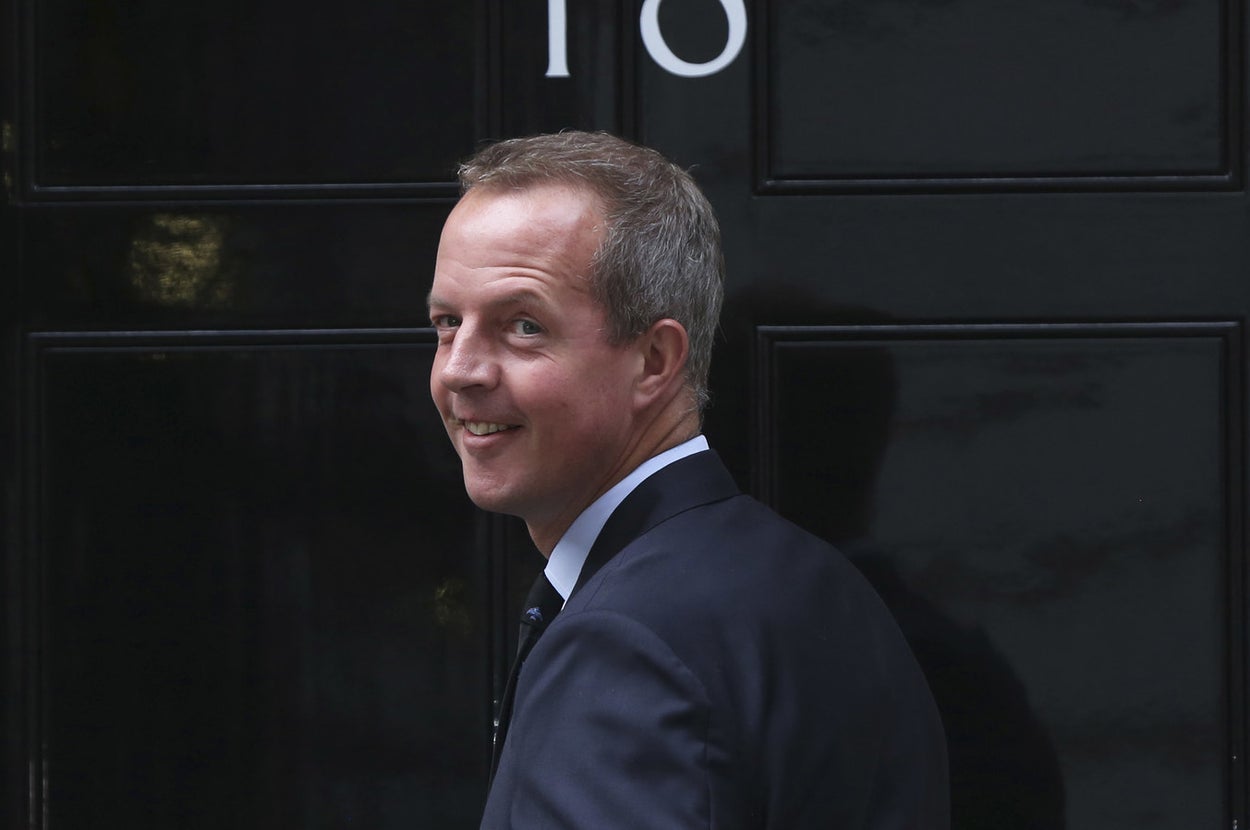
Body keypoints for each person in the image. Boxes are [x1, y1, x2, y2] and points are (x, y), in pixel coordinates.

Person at [427, 131, 949, 828]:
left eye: (522, 326)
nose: (459, 370)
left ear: (655, 360)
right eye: (447, 322)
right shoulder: (817, 581)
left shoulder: (622, 642)